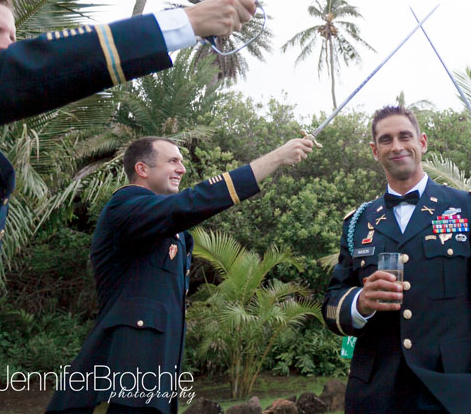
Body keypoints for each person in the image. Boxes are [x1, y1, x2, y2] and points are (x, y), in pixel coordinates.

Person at [0, 0, 256, 408]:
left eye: (13, 39)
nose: (5, 49)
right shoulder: (125, 203)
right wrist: (185, 23)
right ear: (141, 168)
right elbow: (35, 69)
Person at [46, 134, 313, 413]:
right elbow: (190, 203)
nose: (182, 169)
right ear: (142, 169)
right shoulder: (125, 206)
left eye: (182, 161)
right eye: (172, 161)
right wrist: (276, 158)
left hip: (156, 376)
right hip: (130, 370)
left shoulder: (173, 232)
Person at [322, 105, 471, 414]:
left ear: (423, 142)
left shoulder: (466, 209)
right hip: (375, 396)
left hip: (454, 391)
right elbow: (332, 301)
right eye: (386, 140)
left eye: (405, 136)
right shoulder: (358, 222)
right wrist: (360, 302)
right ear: (375, 151)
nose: (397, 146)